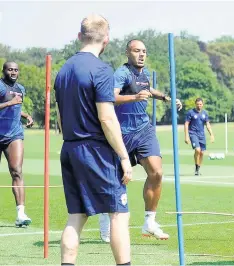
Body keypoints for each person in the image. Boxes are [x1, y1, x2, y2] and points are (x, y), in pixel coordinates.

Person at [55, 14, 132, 265]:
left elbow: (59, 118)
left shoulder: (63, 70)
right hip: (95, 151)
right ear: (106, 40)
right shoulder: (101, 69)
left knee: (75, 217)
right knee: (119, 214)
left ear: (80, 36)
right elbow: (107, 119)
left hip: (69, 148)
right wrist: (123, 156)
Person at [98, 39, 182, 242]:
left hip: (144, 129)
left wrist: (165, 97)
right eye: (137, 51)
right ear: (128, 52)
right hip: (122, 132)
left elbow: (148, 90)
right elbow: (110, 97)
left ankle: (149, 222)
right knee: (116, 180)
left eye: (144, 51)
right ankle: (105, 218)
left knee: (157, 172)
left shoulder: (143, 74)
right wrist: (134, 98)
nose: (142, 54)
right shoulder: (122, 73)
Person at [0, 61, 34, 227]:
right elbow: (9, 105)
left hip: (14, 134)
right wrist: (9, 103)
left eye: (15, 70)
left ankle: (21, 214)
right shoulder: (0, 86)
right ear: (4, 71)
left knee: (17, 171)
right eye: (10, 69)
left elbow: (15, 110)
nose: (13, 72)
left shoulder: (21, 89)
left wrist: (26, 116)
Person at [184, 98, 214, 176]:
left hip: (202, 135)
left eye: (200, 104)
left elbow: (207, 124)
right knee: (197, 150)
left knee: (202, 152)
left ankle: (198, 168)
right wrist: (186, 136)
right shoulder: (190, 113)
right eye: (198, 104)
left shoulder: (205, 113)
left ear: (202, 104)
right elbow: (186, 124)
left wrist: (211, 134)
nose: (199, 106)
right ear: (195, 104)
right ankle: (196, 167)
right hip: (193, 133)